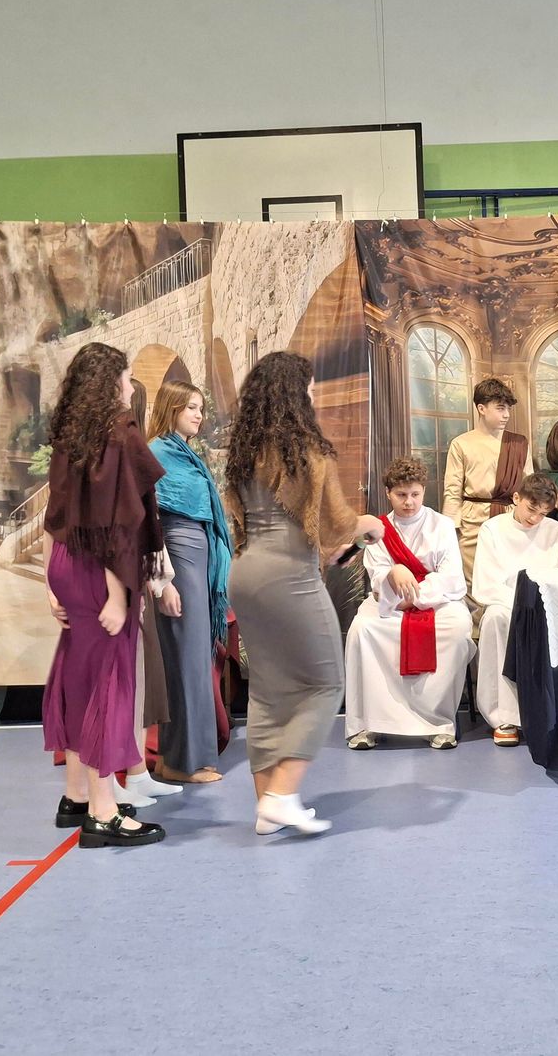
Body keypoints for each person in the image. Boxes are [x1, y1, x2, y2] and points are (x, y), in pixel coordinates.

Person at [224, 351, 385, 836]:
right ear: (296, 395)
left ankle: (265, 808)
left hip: (246, 573)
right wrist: (370, 525)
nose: (314, 396)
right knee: (324, 684)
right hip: (288, 576)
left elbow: (258, 520)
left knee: (267, 692)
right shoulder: (309, 451)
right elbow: (337, 524)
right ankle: (282, 795)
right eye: (310, 389)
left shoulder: (247, 451)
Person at [41, 342, 167, 848]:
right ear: (112, 382)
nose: (132, 387)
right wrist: (118, 595)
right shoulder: (118, 429)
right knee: (107, 685)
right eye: (128, 377)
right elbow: (118, 523)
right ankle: (102, 811)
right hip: (101, 572)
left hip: (66, 564)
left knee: (77, 677)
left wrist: (50, 583)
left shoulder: (71, 433)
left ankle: (75, 796)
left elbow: (55, 514)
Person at [344, 457, 475, 751]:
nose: (409, 502)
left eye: (415, 494)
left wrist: (413, 596)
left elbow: (452, 578)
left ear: (423, 491)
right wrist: (393, 574)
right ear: (388, 493)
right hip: (390, 600)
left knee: (456, 629)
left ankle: (438, 723)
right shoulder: (377, 529)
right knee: (363, 630)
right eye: (401, 494)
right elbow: (376, 575)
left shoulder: (442, 525)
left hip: (435, 601)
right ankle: (369, 724)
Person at [147, 379, 233, 785]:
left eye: (201, 407)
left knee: (194, 658)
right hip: (178, 562)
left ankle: (175, 758)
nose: (199, 415)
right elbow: (150, 522)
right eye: (191, 408)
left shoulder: (187, 453)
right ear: (172, 408)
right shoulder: (156, 452)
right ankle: (183, 763)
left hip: (198, 558)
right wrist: (164, 581)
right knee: (185, 660)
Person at [472, 473, 558, 747]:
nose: (535, 518)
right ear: (516, 498)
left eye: (543, 513)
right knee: (495, 619)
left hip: (544, 605)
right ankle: (504, 716)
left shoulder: (555, 531)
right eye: (531, 509)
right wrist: (521, 606)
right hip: (505, 603)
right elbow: (485, 583)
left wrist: (539, 605)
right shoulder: (492, 529)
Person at [442, 376, 530, 591]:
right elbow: (452, 491)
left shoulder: (518, 443)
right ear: (481, 408)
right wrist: (450, 530)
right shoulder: (461, 444)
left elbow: (529, 487)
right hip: (473, 521)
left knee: (510, 578)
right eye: (500, 408)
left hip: (510, 518)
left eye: (508, 408)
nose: (506, 414)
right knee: (473, 581)